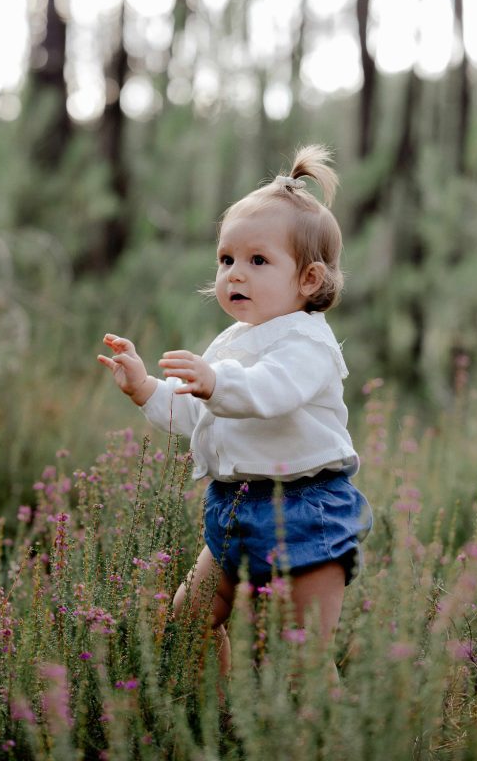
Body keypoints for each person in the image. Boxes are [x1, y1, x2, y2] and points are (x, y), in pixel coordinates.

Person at [97, 145, 372, 673]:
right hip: (234, 510)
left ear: (308, 279)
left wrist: (215, 380)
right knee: (190, 620)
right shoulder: (234, 342)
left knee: (302, 659)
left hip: (305, 511)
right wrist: (147, 389)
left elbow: (268, 393)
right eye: (226, 260)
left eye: (257, 261)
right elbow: (206, 415)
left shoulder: (308, 343)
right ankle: (219, 723)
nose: (234, 274)